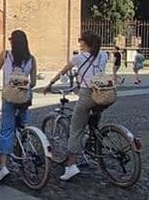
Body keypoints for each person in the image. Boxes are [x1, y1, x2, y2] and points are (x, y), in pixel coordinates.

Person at [43, 32, 109, 181]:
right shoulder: (104, 55)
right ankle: (93, 143)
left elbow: (63, 72)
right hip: (103, 95)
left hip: (87, 95)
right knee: (93, 122)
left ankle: (71, 165)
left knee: (76, 129)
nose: (80, 45)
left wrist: (50, 84)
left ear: (84, 43)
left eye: (81, 42)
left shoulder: (79, 58)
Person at [0, 30, 37, 184]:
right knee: (22, 125)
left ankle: (3, 167)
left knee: (6, 130)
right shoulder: (32, 59)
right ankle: (24, 144)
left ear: (12, 42)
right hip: (25, 97)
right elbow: (33, 82)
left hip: (9, 97)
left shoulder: (6, 55)